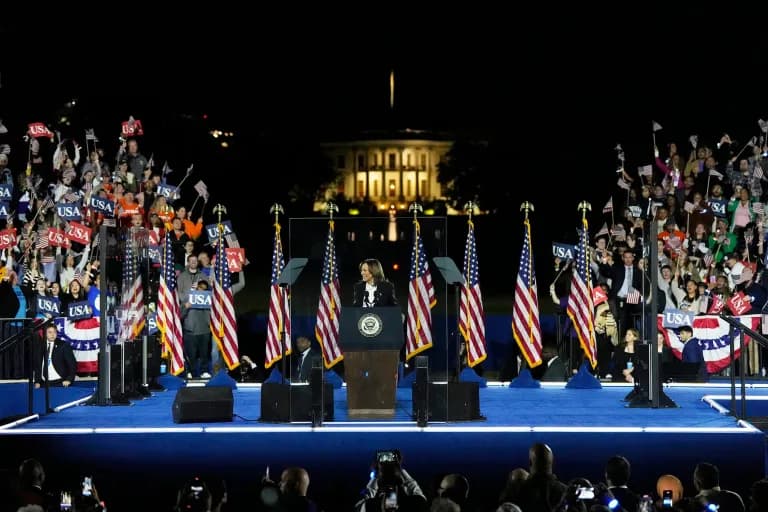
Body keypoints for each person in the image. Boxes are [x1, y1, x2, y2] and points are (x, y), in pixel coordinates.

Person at [34, 323, 77, 388]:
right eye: (50, 332)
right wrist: (37, 381)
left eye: (54, 332)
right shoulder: (40, 346)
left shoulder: (63, 345)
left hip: (61, 383)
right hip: (44, 383)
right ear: (44, 334)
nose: (52, 334)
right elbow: (38, 365)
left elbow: (72, 364)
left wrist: (69, 379)